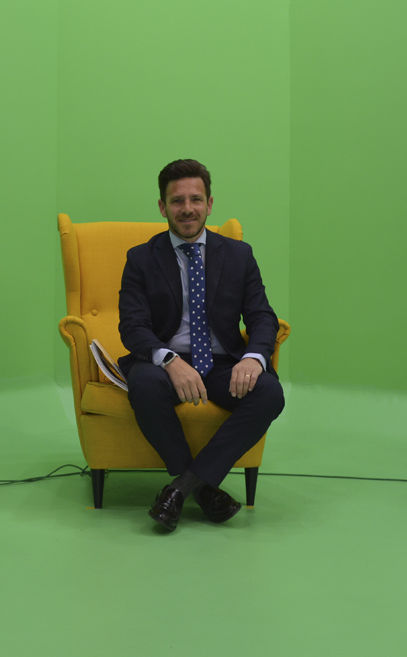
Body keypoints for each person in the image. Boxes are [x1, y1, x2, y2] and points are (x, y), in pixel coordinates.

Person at [118, 158, 285, 532]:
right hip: (167, 363)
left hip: (222, 363)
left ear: (209, 204)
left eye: (196, 199)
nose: (187, 209)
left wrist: (254, 358)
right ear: (162, 207)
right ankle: (205, 490)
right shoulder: (141, 259)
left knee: (270, 392)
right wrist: (169, 360)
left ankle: (181, 488)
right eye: (177, 201)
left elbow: (262, 316)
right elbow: (132, 326)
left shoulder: (239, 255)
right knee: (144, 383)